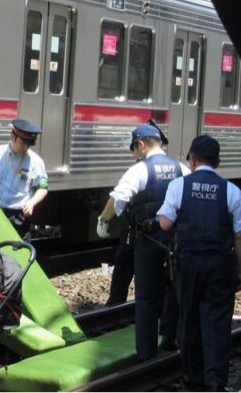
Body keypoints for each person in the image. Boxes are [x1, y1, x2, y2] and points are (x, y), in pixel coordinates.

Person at [96, 123, 188, 361]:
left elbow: (118, 198)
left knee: (146, 297)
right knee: (173, 290)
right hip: (175, 241)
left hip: (146, 240)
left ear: (141, 144)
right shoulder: (181, 167)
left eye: (134, 149)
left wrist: (104, 222)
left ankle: (146, 354)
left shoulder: (140, 170)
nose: (134, 155)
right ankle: (169, 340)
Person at [158, 135, 241, 391]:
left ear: (192, 161)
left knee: (189, 319)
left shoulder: (178, 186)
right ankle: (215, 382)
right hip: (219, 265)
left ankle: (193, 378)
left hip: (187, 265)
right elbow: (239, 236)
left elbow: (165, 223)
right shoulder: (232, 191)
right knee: (217, 323)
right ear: (217, 162)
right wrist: (240, 270)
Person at [0, 119, 48, 239]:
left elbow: (43, 187)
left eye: (29, 144)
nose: (26, 147)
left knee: (18, 254)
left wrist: (32, 203)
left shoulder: (35, 161)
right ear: (12, 136)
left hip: (18, 217)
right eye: (23, 143)